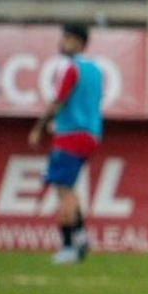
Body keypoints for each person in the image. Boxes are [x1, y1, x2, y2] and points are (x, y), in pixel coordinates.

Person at [28, 23, 102, 266]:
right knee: (69, 188)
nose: (62, 43)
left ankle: (69, 246)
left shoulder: (70, 68)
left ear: (79, 42)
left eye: (67, 39)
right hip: (91, 134)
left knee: (63, 191)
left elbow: (58, 100)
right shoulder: (95, 69)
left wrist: (39, 127)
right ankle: (80, 237)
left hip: (70, 134)